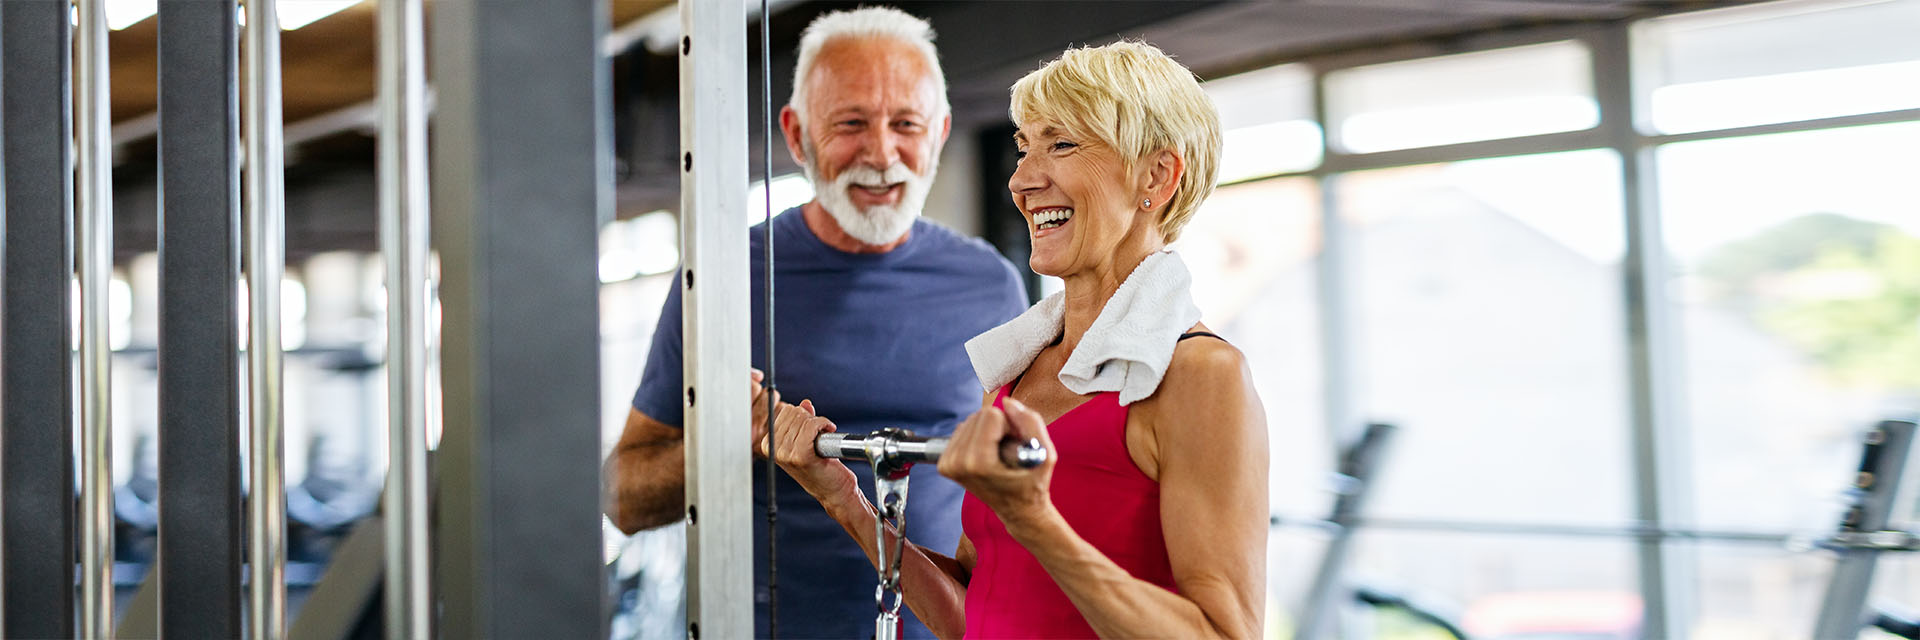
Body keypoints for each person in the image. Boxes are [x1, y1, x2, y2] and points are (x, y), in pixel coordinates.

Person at [767, 41, 1269, 638]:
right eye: (1025, 148)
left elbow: (1224, 633)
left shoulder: (1201, 376)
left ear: (1156, 175)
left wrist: (1034, 518)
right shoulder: (1012, 378)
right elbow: (975, 613)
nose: (1023, 180)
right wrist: (846, 503)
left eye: (1061, 144)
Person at [602, 6, 1029, 639]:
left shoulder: (991, 283)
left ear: (939, 132)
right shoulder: (723, 276)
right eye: (851, 124)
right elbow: (623, 499)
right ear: (798, 135)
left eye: (906, 124)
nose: (882, 154)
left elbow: (1020, 494)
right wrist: (730, 443)